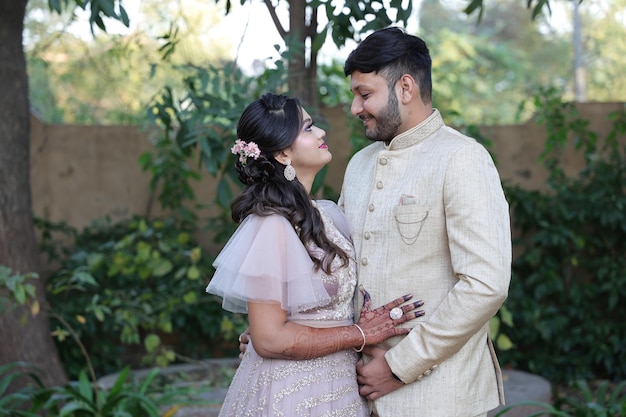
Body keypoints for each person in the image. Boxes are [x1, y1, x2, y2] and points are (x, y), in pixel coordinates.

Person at [206, 92, 424, 417]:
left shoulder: (327, 215)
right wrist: (361, 334)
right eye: (308, 128)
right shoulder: (271, 224)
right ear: (282, 152)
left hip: (341, 388)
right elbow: (269, 339)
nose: (321, 132)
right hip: (291, 392)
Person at [338, 27, 512, 417]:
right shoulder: (359, 165)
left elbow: (485, 285)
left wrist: (400, 367)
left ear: (405, 87)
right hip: (356, 393)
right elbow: (338, 267)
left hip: (440, 399)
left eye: (365, 94)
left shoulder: (462, 158)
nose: (355, 108)